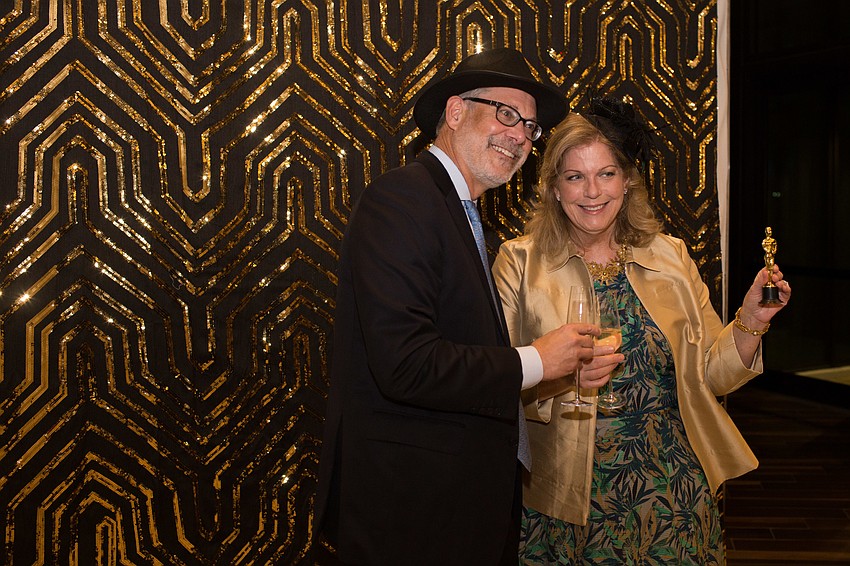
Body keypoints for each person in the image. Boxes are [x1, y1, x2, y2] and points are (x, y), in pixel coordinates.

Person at [313, 48, 605, 565]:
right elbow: (405, 365)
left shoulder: (466, 220)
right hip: (412, 512)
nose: (519, 136)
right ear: (454, 112)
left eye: (531, 128)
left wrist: (557, 372)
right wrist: (537, 359)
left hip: (457, 504)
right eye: (506, 114)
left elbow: (463, 356)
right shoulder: (401, 200)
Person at [491, 96, 792, 564]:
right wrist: (559, 380)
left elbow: (712, 377)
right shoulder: (519, 263)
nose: (592, 192)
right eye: (575, 177)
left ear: (628, 180)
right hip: (571, 498)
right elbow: (495, 384)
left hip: (674, 488)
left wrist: (750, 321)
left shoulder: (670, 256)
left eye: (606, 174)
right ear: (553, 187)